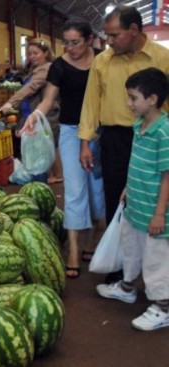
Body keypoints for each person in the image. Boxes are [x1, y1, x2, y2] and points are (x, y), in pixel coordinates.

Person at [78, 5, 169, 284]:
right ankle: (121, 270)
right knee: (117, 201)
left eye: (114, 35)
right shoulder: (102, 61)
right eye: (106, 35)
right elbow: (91, 102)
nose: (109, 41)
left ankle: (160, 271)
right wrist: (85, 142)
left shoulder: (162, 58)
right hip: (115, 139)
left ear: (133, 30)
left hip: (156, 138)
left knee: (159, 202)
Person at [21, 18, 105, 279]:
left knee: (97, 189)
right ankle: (74, 249)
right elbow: (48, 99)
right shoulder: (59, 66)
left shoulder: (104, 59)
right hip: (71, 131)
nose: (69, 48)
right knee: (74, 189)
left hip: (102, 132)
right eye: (66, 43)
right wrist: (35, 115)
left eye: (75, 42)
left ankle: (93, 239)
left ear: (89, 40)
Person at [96, 67, 169, 331]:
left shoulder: (164, 131)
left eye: (133, 98)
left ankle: (163, 306)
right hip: (135, 206)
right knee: (131, 248)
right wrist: (128, 186)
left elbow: (166, 176)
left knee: (156, 260)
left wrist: (160, 213)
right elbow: (138, 162)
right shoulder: (140, 125)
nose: (128, 103)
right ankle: (127, 286)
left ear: (152, 99)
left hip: (154, 212)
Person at [0, 38, 61, 184]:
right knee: (41, 148)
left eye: (35, 53)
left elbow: (30, 88)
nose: (32, 57)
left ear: (45, 53)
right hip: (32, 114)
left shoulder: (47, 68)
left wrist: (10, 103)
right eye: (29, 54)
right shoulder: (35, 69)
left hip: (45, 115)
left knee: (48, 146)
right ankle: (46, 176)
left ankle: (55, 177)